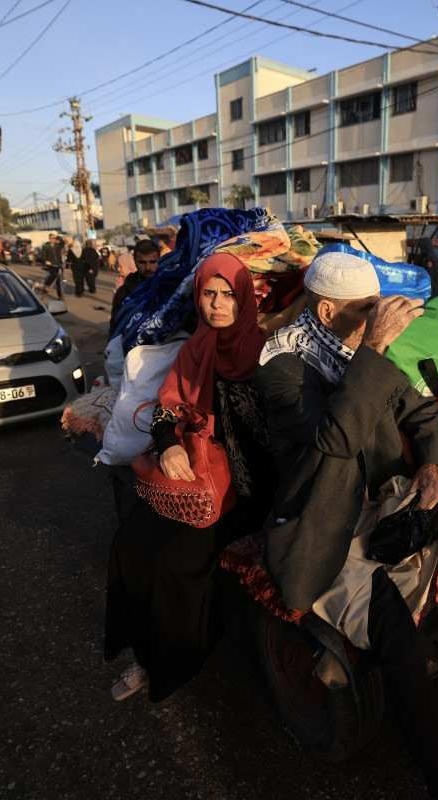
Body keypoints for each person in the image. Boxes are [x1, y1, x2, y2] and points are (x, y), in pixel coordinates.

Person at [254, 251, 438, 800]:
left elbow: (423, 413)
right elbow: (336, 440)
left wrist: (430, 464)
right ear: (329, 308)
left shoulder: (355, 348)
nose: (374, 318)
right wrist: (378, 348)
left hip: (383, 500)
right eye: (366, 310)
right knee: (400, 647)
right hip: (328, 523)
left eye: (375, 309)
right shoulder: (283, 365)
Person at [104, 253, 275, 704]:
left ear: (243, 300)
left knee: (176, 562)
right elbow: (167, 407)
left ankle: (175, 660)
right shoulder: (195, 348)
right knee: (131, 543)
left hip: (246, 492)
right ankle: (143, 652)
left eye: (227, 295)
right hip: (196, 476)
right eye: (208, 294)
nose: (217, 304)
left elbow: (274, 438)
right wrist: (170, 442)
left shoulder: (264, 354)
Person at [41, 234, 64, 299]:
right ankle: (46, 286)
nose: (53, 239)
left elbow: (62, 242)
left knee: (59, 281)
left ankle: (60, 296)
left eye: (54, 238)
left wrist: (58, 237)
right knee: (53, 275)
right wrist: (46, 261)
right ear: (49, 239)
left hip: (59, 264)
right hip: (51, 265)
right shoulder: (46, 246)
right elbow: (43, 256)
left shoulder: (58, 246)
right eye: (52, 238)